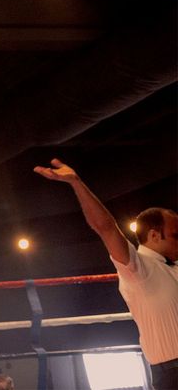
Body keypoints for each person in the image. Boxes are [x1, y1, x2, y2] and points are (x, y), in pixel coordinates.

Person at [34, 159, 178, 390]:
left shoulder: (174, 267)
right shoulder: (138, 268)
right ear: (154, 235)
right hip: (172, 373)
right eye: (175, 235)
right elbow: (106, 228)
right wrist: (76, 183)